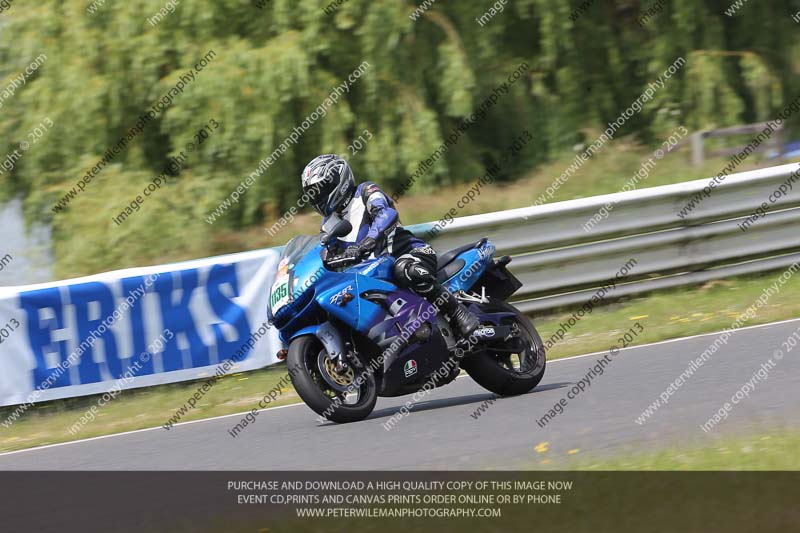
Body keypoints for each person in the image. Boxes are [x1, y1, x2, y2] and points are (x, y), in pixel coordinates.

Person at [301, 154, 480, 336]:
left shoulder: (366, 191)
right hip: (372, 272)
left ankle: (457, 312)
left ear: (339, 180)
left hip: (410, 252)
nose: (317, 196)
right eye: (312, 192)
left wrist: (368, 241)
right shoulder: (327, 224)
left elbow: (385, 213)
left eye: (320, 188)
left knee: (404, 269)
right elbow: (326, 250)